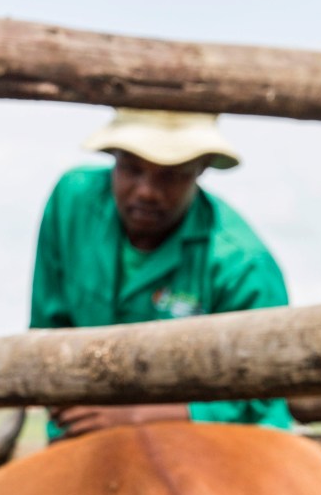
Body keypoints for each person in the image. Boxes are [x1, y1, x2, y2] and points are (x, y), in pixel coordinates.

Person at [30, 108, 295, 440]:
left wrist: (140, 417)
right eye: (131, 168)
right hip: (83, 432)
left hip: (203, 443)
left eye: (170, 175)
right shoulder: (72, 203)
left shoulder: (242, 265)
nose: (146, 191)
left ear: (201, 168)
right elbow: (48, 330)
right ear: (114, 158)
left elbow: (263, 395)